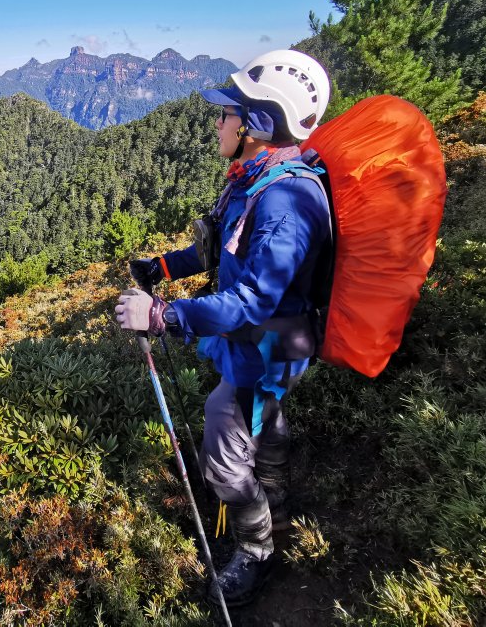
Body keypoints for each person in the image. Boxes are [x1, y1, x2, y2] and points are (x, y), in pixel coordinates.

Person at [114, 49, 332, 607]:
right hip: (264, 343)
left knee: (224, 441)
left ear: (258, 124)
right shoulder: (255, 179)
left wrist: (163, 315)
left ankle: (257, 549)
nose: (219, 121)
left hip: (270, 345)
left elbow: (252, 301)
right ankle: (276, 485)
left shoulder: (286, 200)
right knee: (261, 414)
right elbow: (215, 249)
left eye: (229, 112)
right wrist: (159, 269)